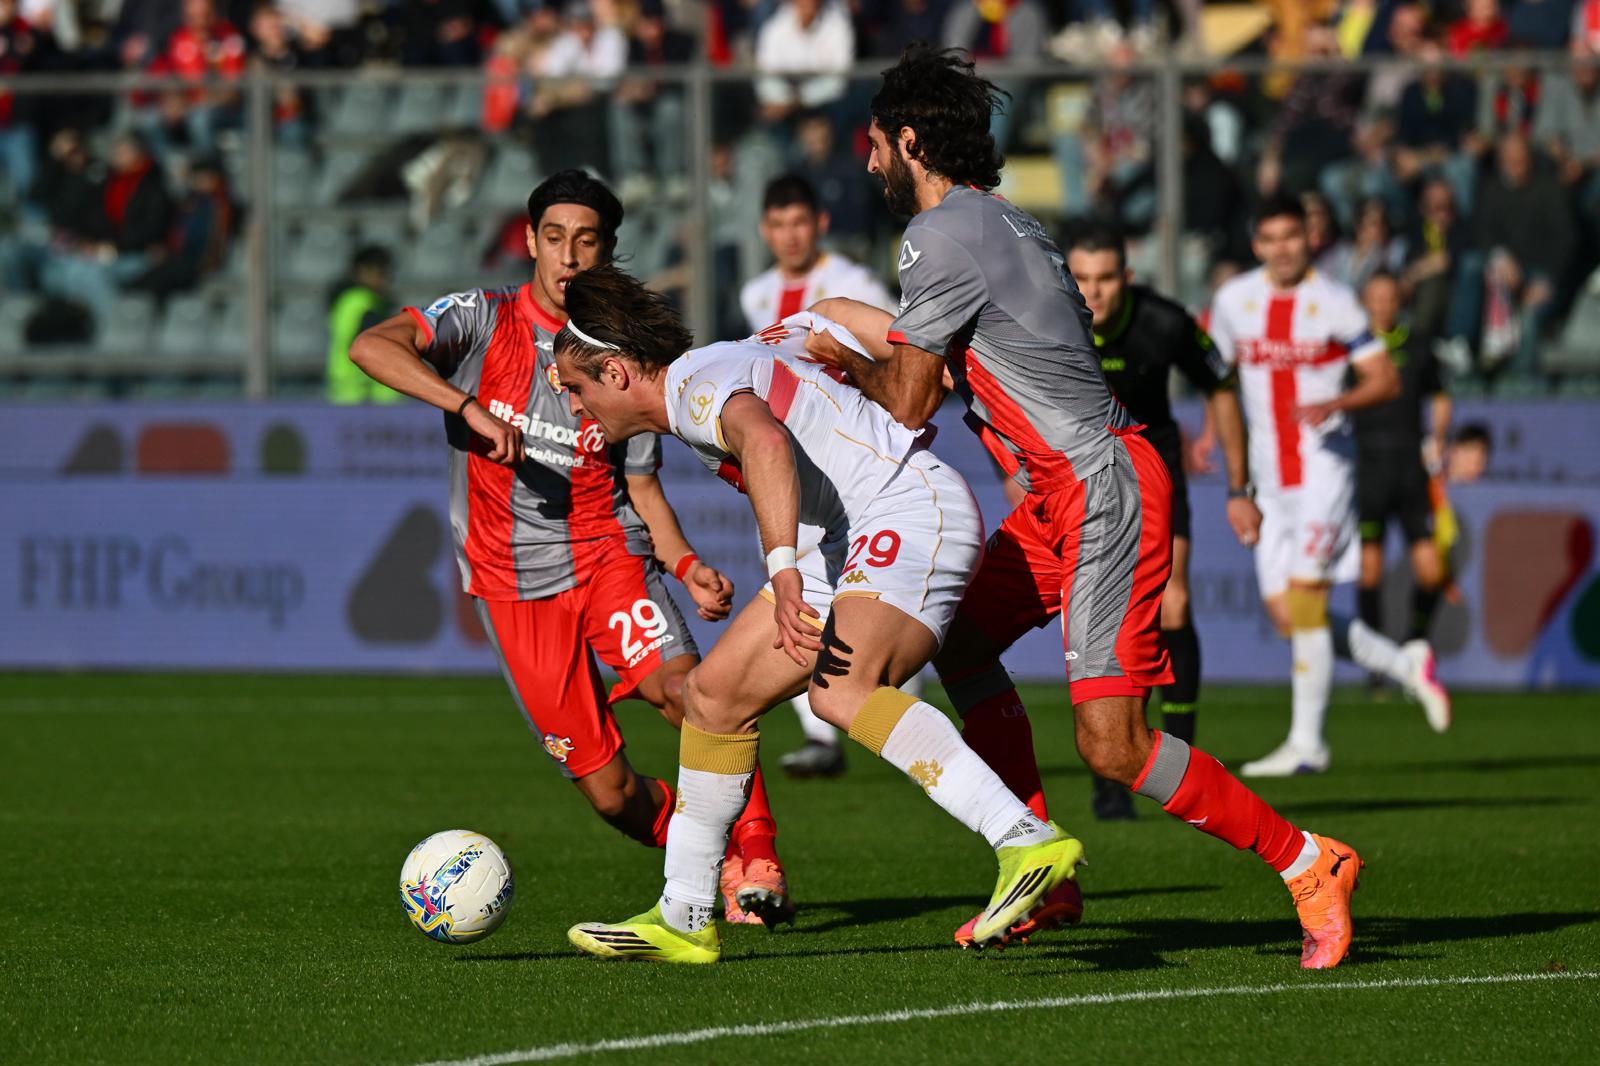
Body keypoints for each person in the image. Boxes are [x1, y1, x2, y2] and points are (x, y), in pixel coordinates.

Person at [809, 44, 1365, 968]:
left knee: (1114, 746)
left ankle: (1308, 860)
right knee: (963, 639)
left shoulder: (935, 237)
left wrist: (835, 362)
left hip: (1100, 488)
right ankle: (1042, 868)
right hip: (1067, 490)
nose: (868, 163)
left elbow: (909, 401)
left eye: (875, 144)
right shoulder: (1012, 223)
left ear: (908, 141)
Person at [557, 269, 1080, 962]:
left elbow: (767, 444)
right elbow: (828, 318)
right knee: (713, 700)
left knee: (842, 691)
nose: (572, 407)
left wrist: (781, 570)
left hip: (908, 515)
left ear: (618, 373)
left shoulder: (692, 390)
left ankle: (1024, 839)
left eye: (577, 388)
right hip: (858, 538)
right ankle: (683, 913)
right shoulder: (749, 346)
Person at [348, 171, 789, 926]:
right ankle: (706, 853)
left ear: (607, 252)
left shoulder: (621, 352)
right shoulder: (483, 320)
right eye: (554, 237)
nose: (568, 256)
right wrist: (466, 405)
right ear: (529, 242)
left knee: (692, 695)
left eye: (587, 240)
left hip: (608, 557)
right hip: (513, 587)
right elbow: (369, 346)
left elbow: (643, 486)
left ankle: (757, 853)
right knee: (611, 794)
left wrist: (682, 564)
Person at [1208, 194, 1452, 780]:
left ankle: (1307, 743)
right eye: (1271, 239)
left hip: (1326, 470)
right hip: (1268, 479)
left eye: (1292, 236)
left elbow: (1385, 377)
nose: (1282, 248)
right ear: (1255, 243)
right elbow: (1220, 386)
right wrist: (1229, 474)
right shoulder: (1233, 302)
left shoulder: (1336, 302)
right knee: (1289, 616)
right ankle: (1403, 663)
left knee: (1308, 601)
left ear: (1309, 239)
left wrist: (1337, 402)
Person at [1064, 223, 1259, 821]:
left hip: (1154, 474)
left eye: (1104, 279)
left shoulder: (1165, 322)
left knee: (1171, 606)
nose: (1092, 293)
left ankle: (1182, 754)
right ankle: (1109, 768)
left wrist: (1238, 486)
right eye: (1081, 279)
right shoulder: (1049, 318)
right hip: (1080, 482)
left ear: (1126, 277)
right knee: (1094, 624)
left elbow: (1220, 385)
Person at [739, 172, 899, 779]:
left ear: (819, 224)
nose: (788, 235)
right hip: (794, 462)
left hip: (855, 455)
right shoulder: (757, 294)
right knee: (800, 584)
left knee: (869, 583)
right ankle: (824, 732)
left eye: (798, 222)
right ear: (763, 229)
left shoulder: (853, 285)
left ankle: (898, 704)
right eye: (777, 224)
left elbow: (890, 356)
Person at [1354, 271, 1451, 664]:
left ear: (1400, 301)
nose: (1383, 305)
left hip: (1409, 468)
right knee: (1370, 573)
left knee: (1432, 572)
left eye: (1390, 298)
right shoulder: (1354, 349)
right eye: (1375, 298)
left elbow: (1440, 395)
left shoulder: (1419, 345)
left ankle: (1413, 647)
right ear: (1365, 302)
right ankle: (1379, 665)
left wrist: (1438, 438)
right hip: (1368, 466)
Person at [326, 245, 403, 405]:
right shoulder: (363, 303)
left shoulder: (348, 302)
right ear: (362, 271)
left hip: (346, 395)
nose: (385, 278)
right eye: (381, 272)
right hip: (363, 397)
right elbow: (374, 346)